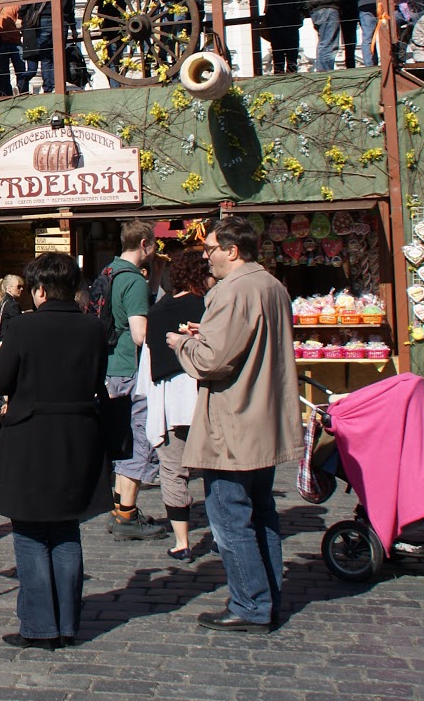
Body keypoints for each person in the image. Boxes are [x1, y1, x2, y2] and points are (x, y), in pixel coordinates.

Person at [165, 216, 301, 632]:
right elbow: (242, 340)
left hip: (234, 421)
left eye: (210, 250)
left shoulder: (235, 289)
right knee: (261, 513)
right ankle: (267, 595)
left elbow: (212, 361)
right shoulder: (271, 286)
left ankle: (250, 604)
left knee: (230, 516)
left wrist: (183, 343)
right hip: (263, 418)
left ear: (232, 250)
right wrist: (204, 333)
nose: (206, 258)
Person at [0, 252, 105, 650]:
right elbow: (97, 377)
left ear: (38, 290)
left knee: (31, 532)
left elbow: (0, 379)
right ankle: (68, 622)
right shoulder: (92, 327)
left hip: (31, 438)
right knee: (67, 527)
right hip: (77, 436)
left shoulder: (24, 327)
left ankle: (39, 626)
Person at [137, 247, 209, 561]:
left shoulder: (157, 311)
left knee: (173, 468)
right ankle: (221, 534)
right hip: (206, 396)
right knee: (216, 468)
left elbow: (148, 366)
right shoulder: (210, 306)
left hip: (170, 399)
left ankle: (182, 541)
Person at [103, 221, 167, 540]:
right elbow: (141, 334)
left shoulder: (110, 272)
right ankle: (127, 514)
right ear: (145, 244)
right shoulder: (134, 282)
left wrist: (153, 278)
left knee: (121, 436)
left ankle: (119, 508)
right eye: (153, 244)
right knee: (138, 437)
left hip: (112, 365)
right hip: (131, 366)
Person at [21, 0, 74, 93]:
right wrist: (74, 27)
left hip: (43, 19)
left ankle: (48, 88)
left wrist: (21, 14)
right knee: (58, 55)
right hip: (61, 20)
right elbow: (71, 5)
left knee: (46, 56)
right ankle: (58, 87)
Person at [0, 274, 26, 442]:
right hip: (6, 349)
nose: (22, 290)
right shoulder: (13, 306)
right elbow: (16, 329)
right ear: (8, 288)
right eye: (18, 287)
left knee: (0, 392)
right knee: (6, 392)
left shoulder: (1, 304)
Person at [263, 0, 304, 74]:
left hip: (275, 26)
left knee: (278, 56)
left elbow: (267, 9)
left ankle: (278, 77)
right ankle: (292, 76)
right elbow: (304, 4)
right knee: (292, 56)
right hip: (291, 24)